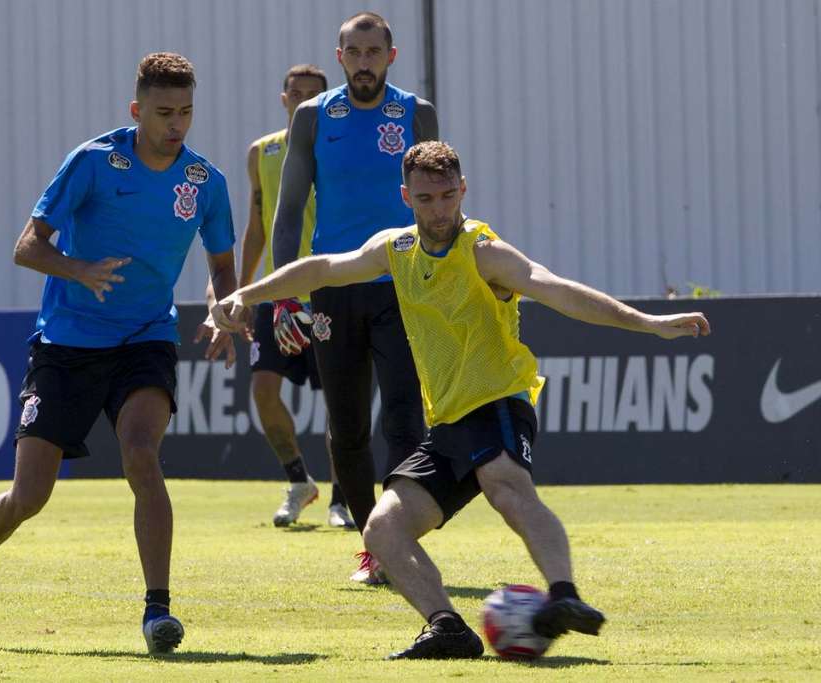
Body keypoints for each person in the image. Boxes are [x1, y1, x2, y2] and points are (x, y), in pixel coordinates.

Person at [214, 140, 711, 659]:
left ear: (463, 190)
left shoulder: (482, 250)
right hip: (447, 423)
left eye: (449, 195)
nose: (440, 210)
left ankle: (564, 596)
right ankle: (447, 627)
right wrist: (245, 294)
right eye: (427, 198)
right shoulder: (396, 249)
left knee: (505, 485)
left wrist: (648, 323)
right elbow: (321, 269)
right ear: (406, 196)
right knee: (382, 530)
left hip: (497, 400)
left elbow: (553, 287)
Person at [0, 53, 239, 655]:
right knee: (29, 497)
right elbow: (26, 248)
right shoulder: (93, 161)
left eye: (185, 112)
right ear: (137, 110)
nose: (176, 124)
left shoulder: (206, 182)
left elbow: (222, 266)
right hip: (67, 344)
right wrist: (79, 270)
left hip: (145, 337)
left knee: (141, 455)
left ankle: (158, 612)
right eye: (163, 113)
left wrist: (221, 308)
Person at [270, 11, 439, 583]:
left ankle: (399, 543)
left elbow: (439, 202)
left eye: (374, 52)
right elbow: (289, 209)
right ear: (339, 57)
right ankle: (375, 546)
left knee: (403, 419)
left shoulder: (416, 113)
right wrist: (285, 293)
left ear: (392, 56)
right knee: (345, 429)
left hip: (403, 287)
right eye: (354, 53)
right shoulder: (315, 117)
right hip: (334, 291)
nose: (364, 62)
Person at [241, 64, 354, 529]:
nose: (303, 101)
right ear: (284, 98)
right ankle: (298, 481)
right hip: (278, 295)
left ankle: (342, 499)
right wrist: (240, 290)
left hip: (329, 291)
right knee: (263, 391)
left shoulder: (341, 149)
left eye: (314, 95)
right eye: (297, 93)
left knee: (340, 403)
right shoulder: (262, 152)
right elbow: (257, 225)